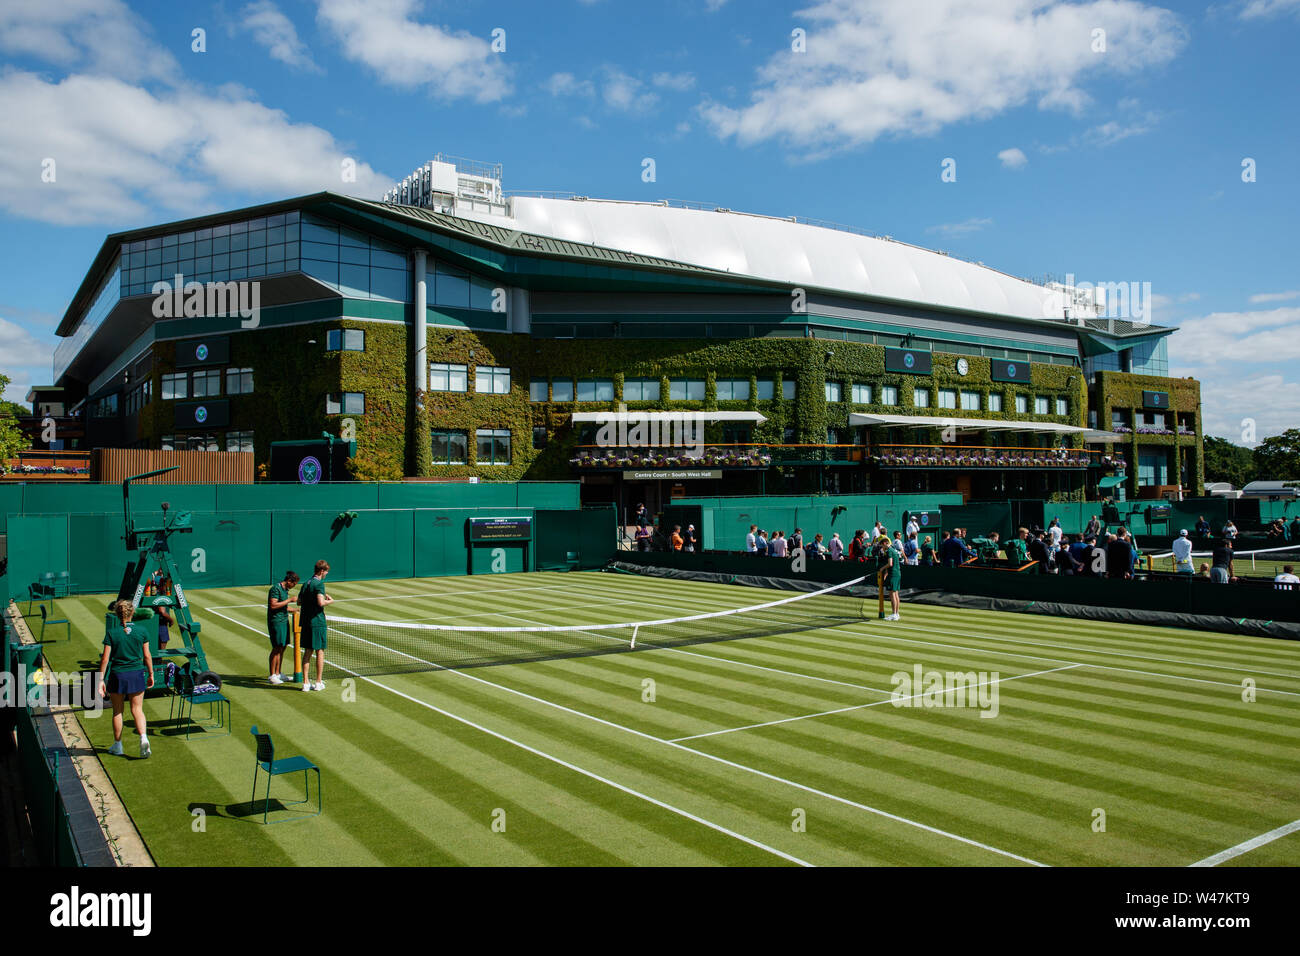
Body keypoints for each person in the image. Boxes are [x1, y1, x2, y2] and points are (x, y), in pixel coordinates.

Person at [96, 600, 154, 758]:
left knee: (117, 711)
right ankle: (143, 738)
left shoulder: (112, 633)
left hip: (118, 675)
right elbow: (147, 656)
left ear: (117, 614)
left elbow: (105, 660)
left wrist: (101, 680)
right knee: (137, 710)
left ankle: (118, 745)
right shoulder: (142, 631)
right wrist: (151, 674)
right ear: (132, 613)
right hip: (136, 674)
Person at [297, 560, 334, 692]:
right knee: (320, 652)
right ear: (322, 571)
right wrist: (330, 601)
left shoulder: (306, 583)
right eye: (326, 571)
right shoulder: (319, 584)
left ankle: (305, 683)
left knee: (307, 652)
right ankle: (318, 682)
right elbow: (320, 603)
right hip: (317, 622)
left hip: (306, 622)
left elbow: (299, 601)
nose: (327, 573)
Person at [267, 570, 300, 684]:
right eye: (293, 584)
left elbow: (283, 607)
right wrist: (290, 600)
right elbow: (273, 605)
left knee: (283, 646)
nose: (293, 587)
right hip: (276, 622)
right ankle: (272, 676)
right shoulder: (275, 589)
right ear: (289, 581)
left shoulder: (285, 590)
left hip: (284, 620)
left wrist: (295, 609)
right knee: (277, 647)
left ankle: (278, 673)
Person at [882, 541, 902, 621]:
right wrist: (886, 572)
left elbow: (890, 564)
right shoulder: (893, 549)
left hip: (893, 574)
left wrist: (882, 569)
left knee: (892, 594)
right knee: (896, 594)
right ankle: (896, 614)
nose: (882, 548)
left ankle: (894, 614)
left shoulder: (889, 551)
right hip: (897, 573)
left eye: (882, 545)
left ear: (885, 543)